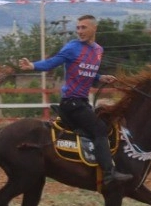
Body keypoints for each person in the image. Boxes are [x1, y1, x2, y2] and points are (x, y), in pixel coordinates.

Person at [18, 14, 134, 185]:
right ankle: (109, 173)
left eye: (83, 27)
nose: (79, 31)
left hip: (83, 102)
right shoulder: (72, 47)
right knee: (100, 129)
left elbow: (87, 73)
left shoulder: (98, 51)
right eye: (78, 28)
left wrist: (101, 78)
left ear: (95, 28)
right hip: (72, 103)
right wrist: (33, 66)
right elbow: (52, 62)